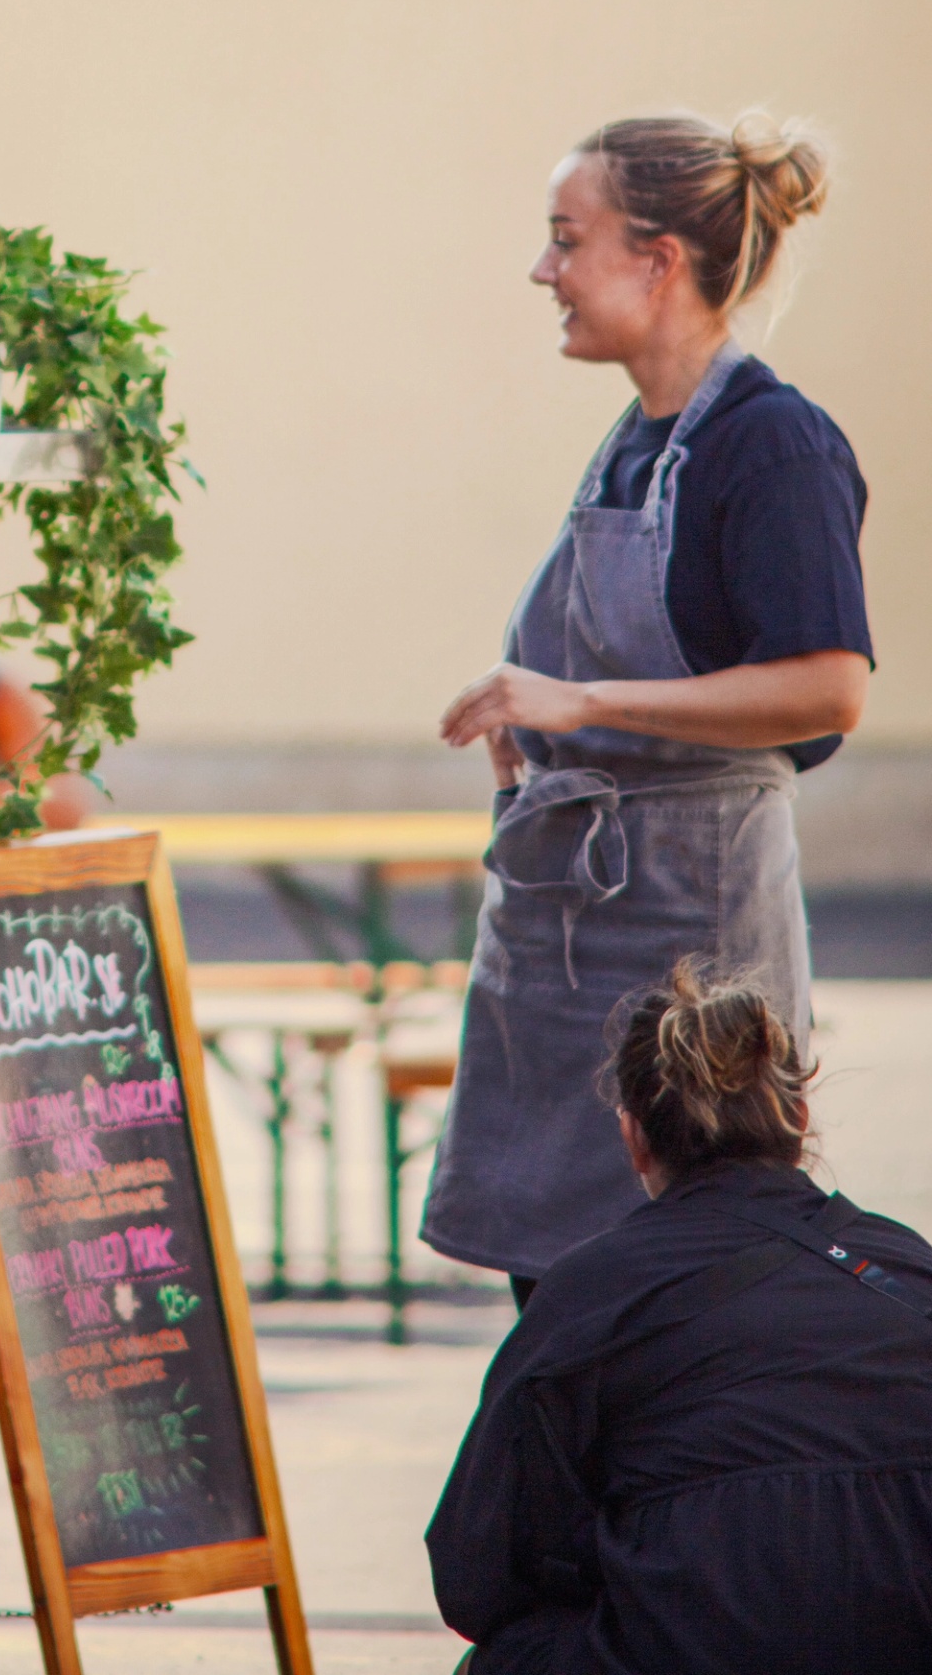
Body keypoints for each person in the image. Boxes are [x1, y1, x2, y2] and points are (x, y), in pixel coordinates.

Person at [421, 112, 872, 1291]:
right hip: (567, 937)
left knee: (677, 1298)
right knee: (559, 1296)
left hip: (694, 952)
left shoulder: (772, 445)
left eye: (566, 239)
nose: (542, 270)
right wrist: (533, 747)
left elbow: (827, 686)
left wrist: (578, 702)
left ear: (658, 258)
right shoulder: (631, 443)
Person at [429, 966, 932, 1674]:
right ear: (797, 1116)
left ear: (634, 1137)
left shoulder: (592, 1286)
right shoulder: (906, 1263)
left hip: (686, 1648)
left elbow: (476, 1570)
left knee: (505, 1658)